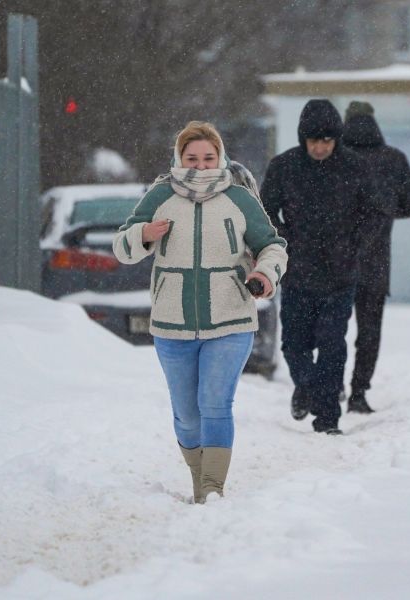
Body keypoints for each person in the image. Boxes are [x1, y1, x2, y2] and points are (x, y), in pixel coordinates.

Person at [113, 121, 287, 503]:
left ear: (220, 158)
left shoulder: (240, 198)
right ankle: (198, 476)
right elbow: (123, 247)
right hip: (172, 325)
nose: (201, 165)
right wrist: (143, 236)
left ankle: (212, 488)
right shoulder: (160, 194)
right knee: (188, 416)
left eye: (208, 158)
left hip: (231, 319)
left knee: (215, 404)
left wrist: (264, 273)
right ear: (179, 158)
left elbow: (272, 246)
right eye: (192, 158)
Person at [261, 99, 383, 435]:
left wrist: (354, 245)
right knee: (294, 344)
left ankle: (327, 417)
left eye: (327, 141)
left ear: (336, 139)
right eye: (313, 140)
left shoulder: (355, 167)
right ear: (303, 139)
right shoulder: (284, 167)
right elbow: (265, 212)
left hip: (340, 273)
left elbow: (374, 213)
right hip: (298, 271)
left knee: (332, 343)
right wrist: (286, 240)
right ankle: (307, 387)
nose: (320, 147)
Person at [340, 101, 410, 413]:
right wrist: (387, 212)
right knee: (369, 331)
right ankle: (359, 393)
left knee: (333, 327)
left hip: (334, 262)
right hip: (375, 263)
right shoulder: (393, 159)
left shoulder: (334, 159)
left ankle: (333, 384)